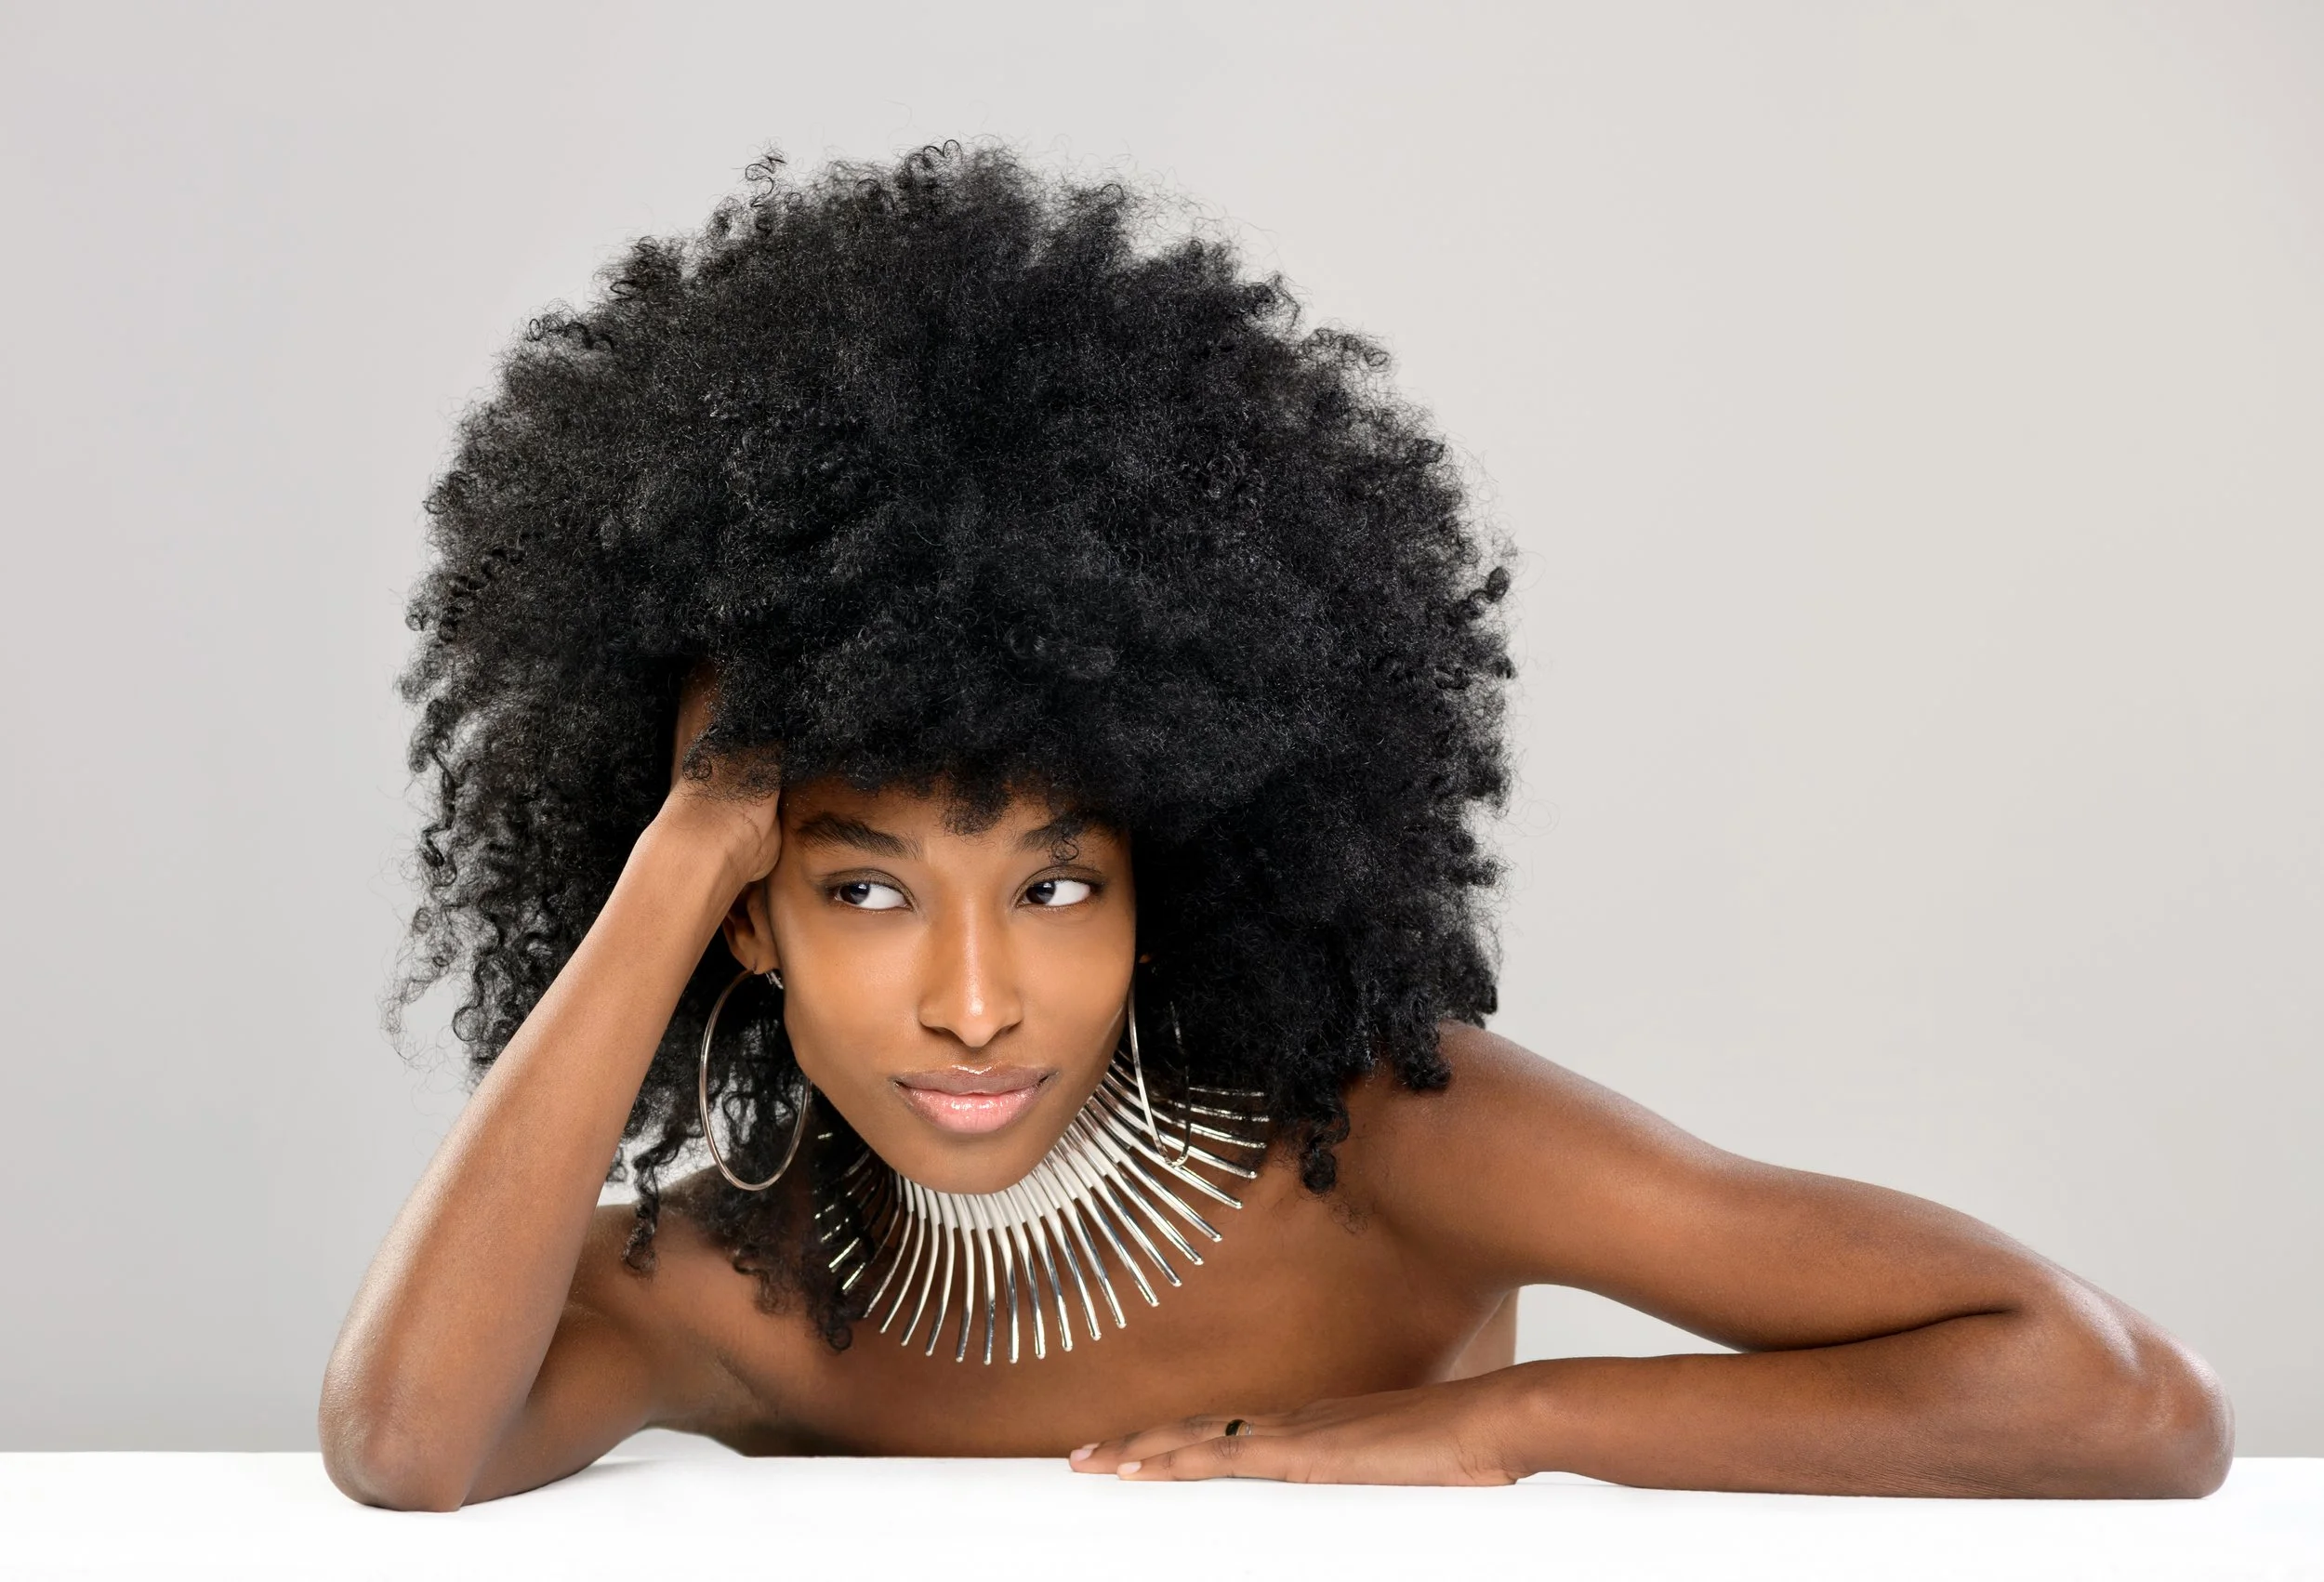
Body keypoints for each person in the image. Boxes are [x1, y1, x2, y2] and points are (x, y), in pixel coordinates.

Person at [320, 141, 2230, 1510]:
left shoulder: (1390, 1148)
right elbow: (405, 1448)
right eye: (859, 883)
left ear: (1170, 865)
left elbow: (2123, 1398)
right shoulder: (735, 1283)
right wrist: (679, 850)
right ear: (756, 920)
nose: (975, 998)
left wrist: (1511, 1416)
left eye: (1054, 878)